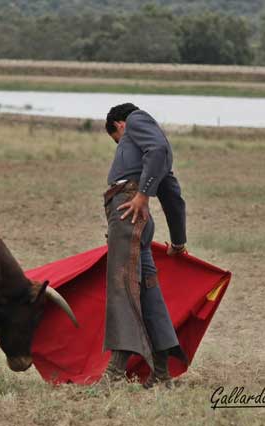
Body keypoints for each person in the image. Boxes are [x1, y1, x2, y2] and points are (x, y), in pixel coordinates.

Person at [101, 103, 189, 389]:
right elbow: (173, 196)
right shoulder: (153, 155)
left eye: (117, 139)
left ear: (120, 125)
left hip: (128, 211)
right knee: (148, 291)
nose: (121, 144)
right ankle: (162, 373)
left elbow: (159, 151)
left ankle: (114, 375)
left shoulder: (136, 121)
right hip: (138, 219)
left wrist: (141, 194)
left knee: (123, 287)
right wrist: (178, 241)